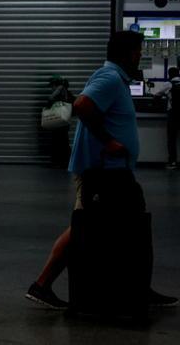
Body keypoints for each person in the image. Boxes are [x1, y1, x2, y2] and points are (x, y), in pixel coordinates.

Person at [26, 31, 177, 309]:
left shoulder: (114, 79)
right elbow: (82, 105)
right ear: (126, 53)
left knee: (118, 229)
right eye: (137, 52)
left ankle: (138, 287)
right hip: (103, 172)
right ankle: (43, 284)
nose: (139, 56)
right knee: (94, 229)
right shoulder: (109, 78)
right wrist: (109, 142)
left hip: (111, 171)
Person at [152, 67, 180, 168]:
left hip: (173, 114)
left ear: (169, 74)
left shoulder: (168, 84)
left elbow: (157, 95)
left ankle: (172, 162)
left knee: (171, 138)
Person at [46, 75, 74, 168]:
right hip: (61, 122)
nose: (51, 88)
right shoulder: (66, 93)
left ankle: (61, 162)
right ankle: (62, 162)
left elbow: (50, 101)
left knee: (60, 142)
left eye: (52, 86)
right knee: (62, 142)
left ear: (56, 85)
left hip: (60, 122)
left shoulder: (60, 93)